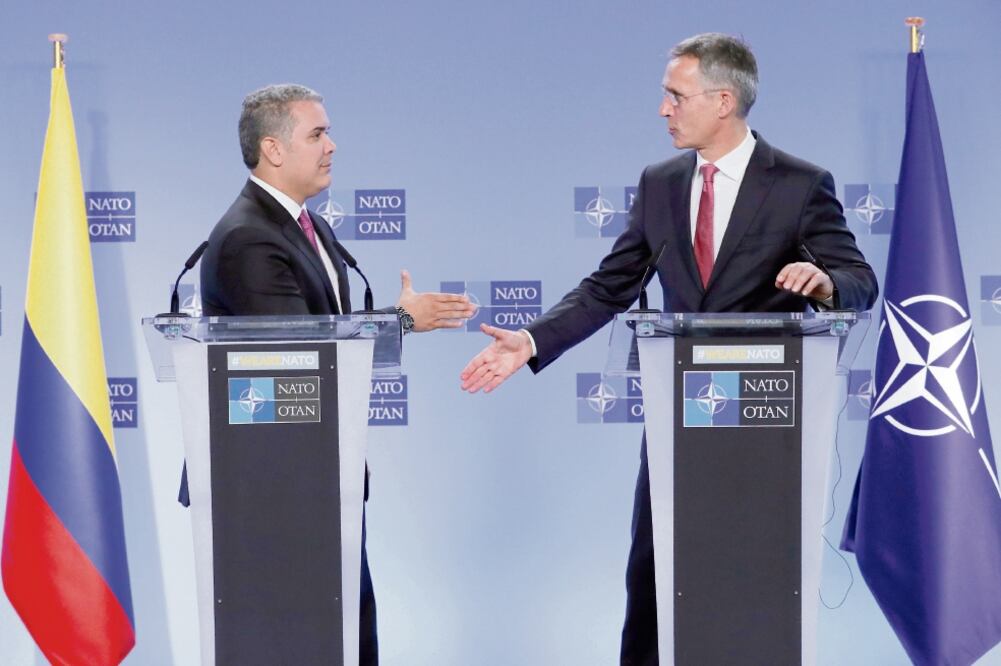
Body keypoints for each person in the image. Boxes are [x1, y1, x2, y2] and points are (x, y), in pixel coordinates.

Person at [460, 33, 878, 665]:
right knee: (655, 577)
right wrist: (532, 339)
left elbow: (860, 282)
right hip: (681, 418)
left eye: (675, 96)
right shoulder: (660, 183)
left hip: (765, 424)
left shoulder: (798, 184)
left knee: (753, 585)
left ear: (724, 99)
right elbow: (610, 285)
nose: (664, 109)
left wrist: (825, 284)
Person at [197, 83, 475, 665]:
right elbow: (300, 361)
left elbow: (323, 339)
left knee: (348, 635)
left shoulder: (311, 228)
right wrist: (399, 322)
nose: (333, 146)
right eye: (317, 134)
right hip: (273, 490)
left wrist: (394, 322)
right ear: (273, 149)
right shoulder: (248, 236)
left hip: (318, 477)